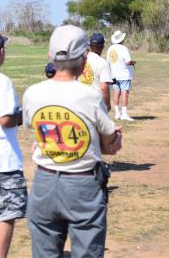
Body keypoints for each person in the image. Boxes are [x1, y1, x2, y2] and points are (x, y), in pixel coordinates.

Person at [23, 25, 122, 258]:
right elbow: (110, 145)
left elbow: (36, 130)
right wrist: (115, 139)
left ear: (50, 56)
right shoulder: (90, 96)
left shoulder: (32, 93)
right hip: (83, 186)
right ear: (85, 58)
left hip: (43, 183)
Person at [0, 35, 28, 258]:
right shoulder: (2, 81)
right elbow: (6, 119)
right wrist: (23, 115)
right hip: (4, 161)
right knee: (5, 215)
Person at [107, 30, 136, 121]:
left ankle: (117, 113)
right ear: (122, 39)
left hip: (114, 74)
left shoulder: (110, 49)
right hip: (124, 74)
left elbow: (108, 62)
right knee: (125, 93)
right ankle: (124, 114)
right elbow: (128, 62)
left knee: (116, 92)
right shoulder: (123, 48)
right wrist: (133, 62)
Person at [80, 33, 112, 111]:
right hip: (96, 104)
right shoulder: (103, 63)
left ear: (90, 45)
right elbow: (104, 87)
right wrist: (107, 105)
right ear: (102, 47)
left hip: (80, 102)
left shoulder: (81, 59)